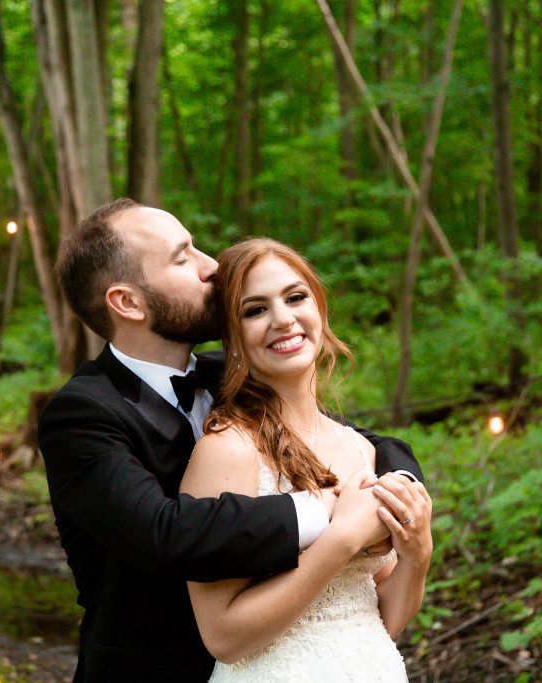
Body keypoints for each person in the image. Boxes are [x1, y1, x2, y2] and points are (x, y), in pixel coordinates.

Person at [38, 199, 425, 681]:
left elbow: (350, 440)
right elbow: (163, 535)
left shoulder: (232, 375)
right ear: (128, 302)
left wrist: (398, 488)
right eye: (183, 257)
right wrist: (331, 510)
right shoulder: (82, 414)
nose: (212, 267)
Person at [181, 238, 433, 682]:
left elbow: (382, 618)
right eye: (255, 310)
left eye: (295, 297)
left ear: (319, 307)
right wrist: (342, 540)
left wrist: (417, 555)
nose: (283, 319)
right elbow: (223, 636)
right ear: (232, 335)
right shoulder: (227, 449)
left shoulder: (362, 449)